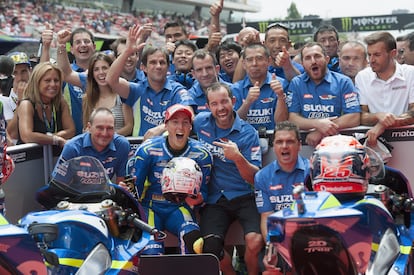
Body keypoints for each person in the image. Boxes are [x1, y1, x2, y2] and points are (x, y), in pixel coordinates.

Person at [193, 82, 263, 275]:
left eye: (224, 102)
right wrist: (159, 131)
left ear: (233, 101)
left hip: (245, 195)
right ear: (208, 107)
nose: (220, 108)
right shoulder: (200, 122)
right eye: (214, 104)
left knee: (255, 241)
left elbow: (254, 178)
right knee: (210, 249)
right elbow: (178, 124)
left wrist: (238, 158)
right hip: (215, 199)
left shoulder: (249, 133)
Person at [130, 104, 212, 255]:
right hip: (151, 207)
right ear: (166, 125)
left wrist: (198, 200)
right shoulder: (147, 150)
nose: (180, 127)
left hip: (180, 207)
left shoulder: (202, 154)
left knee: (192, 241)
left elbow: (204, 193)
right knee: (152, 251)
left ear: (190, 127)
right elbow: (134, 189)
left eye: (185, 122)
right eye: (175, 122)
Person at [106, 25, 195, 139]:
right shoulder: (136, 89)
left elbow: (190, 114)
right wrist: (127, 52)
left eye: (162, 63)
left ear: (168, 67)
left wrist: (162, 127)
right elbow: (110, 79)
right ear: (143, 67)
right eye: (153, 62)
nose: (158, 66)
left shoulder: (176, 90)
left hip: (170, 149)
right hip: (141, 148)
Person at [254, 121, 310, 274]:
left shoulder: (311, 171)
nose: (284, 146)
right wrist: (271, 248)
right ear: (274, 146)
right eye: (279, 142)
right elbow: (266, 217)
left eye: (290, 141)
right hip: (280, 239)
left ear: (299, 145)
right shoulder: (262, 177)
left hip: (308, 238)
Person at [56, 30, 133, 136]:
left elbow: (129, 126)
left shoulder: (122, 91)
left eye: (105, 68)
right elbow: (65, 73)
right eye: (96, 69)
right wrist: (61, 45)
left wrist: (109, 136)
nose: (101, 73)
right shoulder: (87, 96)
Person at [287, 42, 361, 147]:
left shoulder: (343, 81)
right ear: (302, 63)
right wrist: (317, 124)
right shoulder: (296, 83)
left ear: (327, 59)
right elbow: (292, 118)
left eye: (317, 56)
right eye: (308, 58)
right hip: (305, 144)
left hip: (337, 144)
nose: (313, 61)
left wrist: (321, 130)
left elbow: (354, 117)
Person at [355, 31, 414, 145]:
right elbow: (360, 115)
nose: (371, 60)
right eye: (369, 54)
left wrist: (383, 124)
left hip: (408, 141)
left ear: (393, 53)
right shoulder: (362, 77)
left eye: (377, 55)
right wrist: (378, 116)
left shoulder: (411, 73)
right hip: (374, 142)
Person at [54, 107, 130, 184]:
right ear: (89, 127)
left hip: (106, 195)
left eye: (109, 128)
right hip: (75, 194)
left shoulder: (122, 145)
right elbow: (58, 183)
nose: (104, 133)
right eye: (100, 128)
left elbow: (122, 184)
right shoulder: (72, 147)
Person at [16, 62, 75, 146]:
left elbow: (71, 130)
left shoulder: (61, 103)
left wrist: (50, 138)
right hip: (32, 158)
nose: (53, 84)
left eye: (56, 80)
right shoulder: (27, 104)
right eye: (47, 81)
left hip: (55, 156)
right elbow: (27, 136)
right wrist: (56, 140)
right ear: (37, 83)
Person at [232, 43, 289, 132]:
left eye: (259, 59)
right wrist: (247, 102)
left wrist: (281, 96)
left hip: (275, 139)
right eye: (249, 60)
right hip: (247, 141)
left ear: (269, 61)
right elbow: (234, 124)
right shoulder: (236, 89)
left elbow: (282, 123)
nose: (254, 64)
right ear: (243, 64)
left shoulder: (282, 84)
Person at [61, 27, 96, 135]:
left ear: (94, 47)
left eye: (86, 41)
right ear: (71, 49)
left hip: (100, 137)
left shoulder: (102, 73)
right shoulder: (65, 72)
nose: (83, 45)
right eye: (78, 42)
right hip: (72, 139)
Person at [188, 49, 224, 113]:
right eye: (199, 70)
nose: (205, 74)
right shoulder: (189, 97)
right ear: (193, 74)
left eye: (208, 68)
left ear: (217, 69)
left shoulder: (234, 90)